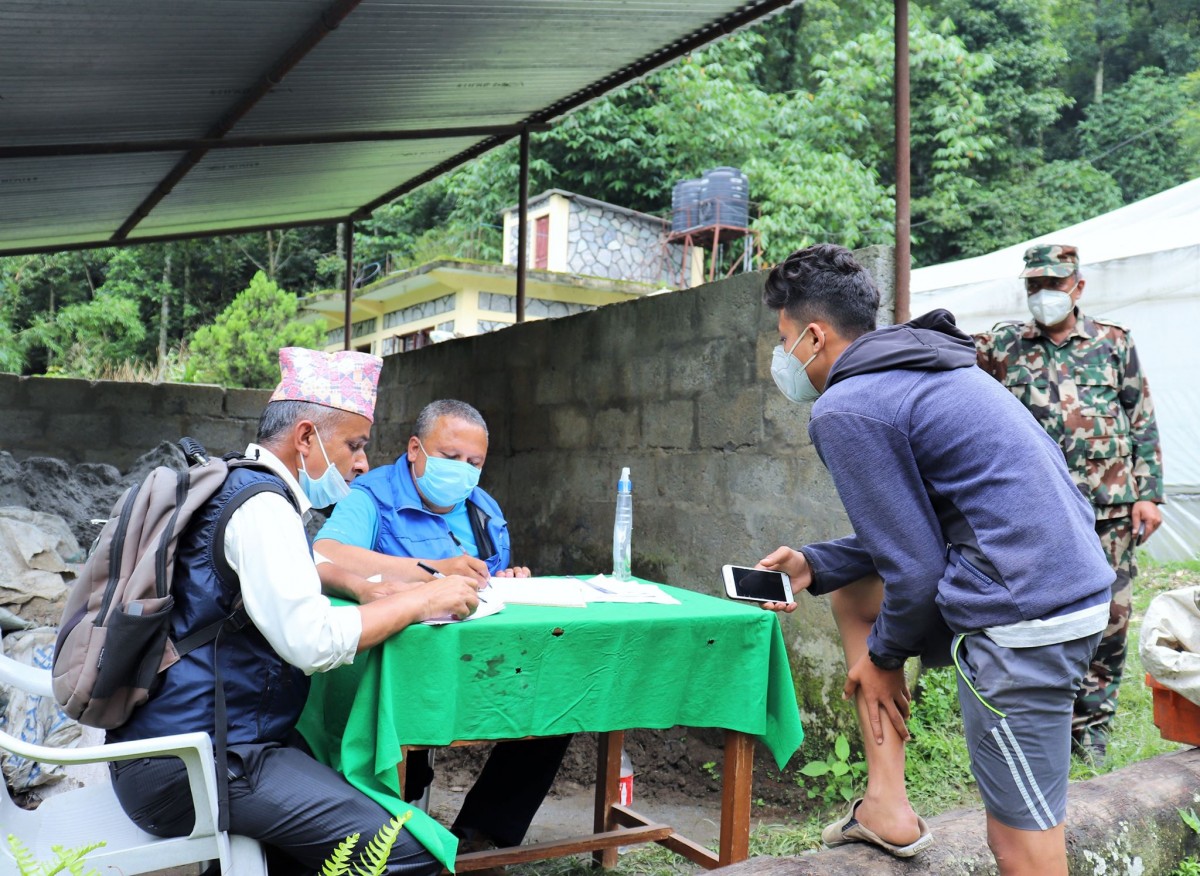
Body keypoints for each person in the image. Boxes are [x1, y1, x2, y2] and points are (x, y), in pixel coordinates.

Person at [755, 244, 1113, 876]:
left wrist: (884, 660)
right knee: (855, 591)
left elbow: (916, 571)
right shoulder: (927, 368)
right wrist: (815, 563)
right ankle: (886, 805)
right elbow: (918, 536)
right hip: (1061, 587)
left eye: (784, 341)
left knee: (1022, 850)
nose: (782, 359)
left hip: (1024, 618)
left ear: (813, 335)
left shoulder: (847, 406)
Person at [107, 347, 481, 876]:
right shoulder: (263, 509)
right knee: (408, 856)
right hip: (196, 767)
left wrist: (358, 583)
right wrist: (422, 598)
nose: (362, 463)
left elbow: (284, 582)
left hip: (180, 748)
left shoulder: (235, 486)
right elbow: (312, 641)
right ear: (306, 437)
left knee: (323, 779)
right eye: (354, 444)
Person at [314, 399, 568, 852]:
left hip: (474, 662)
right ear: (415, 449)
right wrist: (434, 570)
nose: (462, 471)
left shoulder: (482, 509)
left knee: (555, 700)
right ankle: (394, 836)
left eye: (474, 463)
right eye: (450, 457)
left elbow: (485, 585)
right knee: (403, 750)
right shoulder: (372, 496)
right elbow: (328, 553)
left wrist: (505, 581)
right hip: (393, 672)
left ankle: (481, 838)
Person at [974, 244, 1164, 762]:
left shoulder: (1113, 343)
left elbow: (1140, 417)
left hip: (1108, 506)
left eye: (1053, 285)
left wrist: (1148, 494)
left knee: (1112, 615)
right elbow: (954, 376)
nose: (1043, 295)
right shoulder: (1002, 345)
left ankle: (1094, 728)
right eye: (1034, 286)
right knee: (1041, 614)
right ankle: (1043, 721)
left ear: (1078, 287)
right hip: (1035, 508)